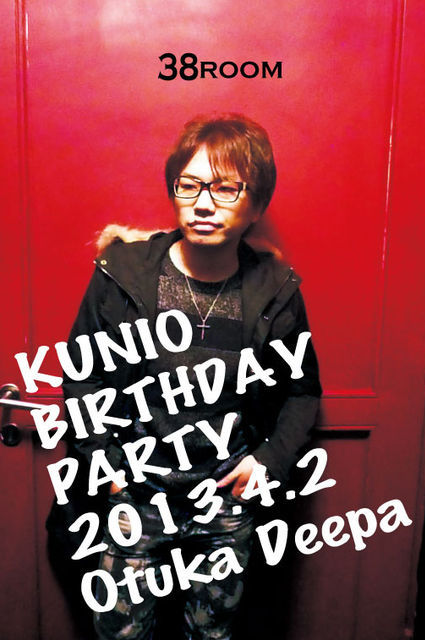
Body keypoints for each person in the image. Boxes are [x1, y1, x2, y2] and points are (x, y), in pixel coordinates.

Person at [47, 113, 322, 640]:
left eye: (225, 188)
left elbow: (302, 390)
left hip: (225, 503)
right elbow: (83, 377)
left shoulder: (275, 289)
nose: (202, 203)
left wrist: (268, 462)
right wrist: (108, 465)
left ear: (256, 205)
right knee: (122, 633)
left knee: (212, 634)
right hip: (136, 497)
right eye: (189, 185)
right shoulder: (124, 274)